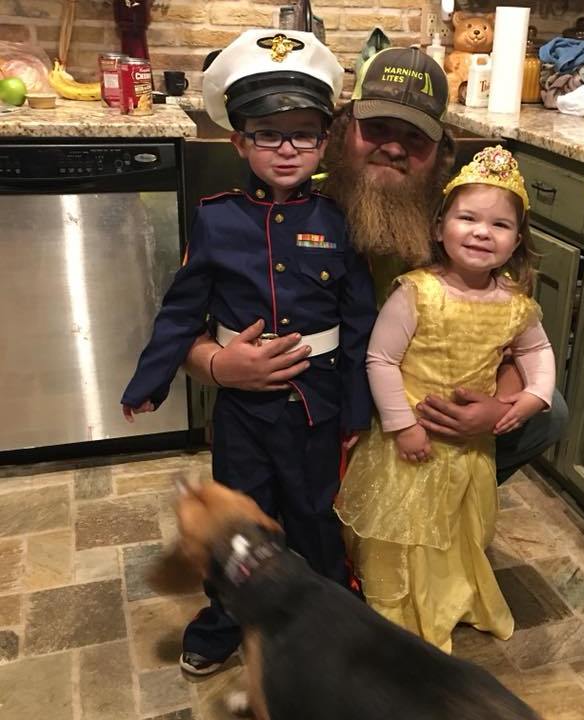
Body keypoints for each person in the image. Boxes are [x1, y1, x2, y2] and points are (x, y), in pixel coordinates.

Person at [183, 46, 568, 482]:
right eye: (377, 128)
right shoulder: (283, 201)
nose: (394, 147)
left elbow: (509, 335)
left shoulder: (463, 225)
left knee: (550, 411)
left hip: (418, 407)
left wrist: (496, 409)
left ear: (441, 151)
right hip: (312, 400)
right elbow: (186, 326)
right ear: (342, 130)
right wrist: (217, 366)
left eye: (415, 137)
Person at [120, 29, 377, 675]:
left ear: (325, 141)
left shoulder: (340, 219)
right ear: (239, 141)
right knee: (239, 522)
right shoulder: (217, 217)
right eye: (268, 134)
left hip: (317, 405)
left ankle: (328, 614)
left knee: (314, 516)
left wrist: (356, 410)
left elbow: (359, 322)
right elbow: (183, 308)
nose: (287, 149)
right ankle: (226, 618)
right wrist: (150, 381)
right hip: (242, 413)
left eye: (304, 134)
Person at [335, 146, 556, 652]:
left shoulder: (515, 303)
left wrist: (531, 398)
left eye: (500, 225)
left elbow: (536, 352)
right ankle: (397, 602)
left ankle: (447, 595)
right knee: (402, 529)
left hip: (466, 450)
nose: (482, 232)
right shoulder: (417, 292)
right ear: (439, 228)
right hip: (409, 444)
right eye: (468, 218)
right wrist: (403, 426)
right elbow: (381, 360)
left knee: (458, 529)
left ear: (517, 241)